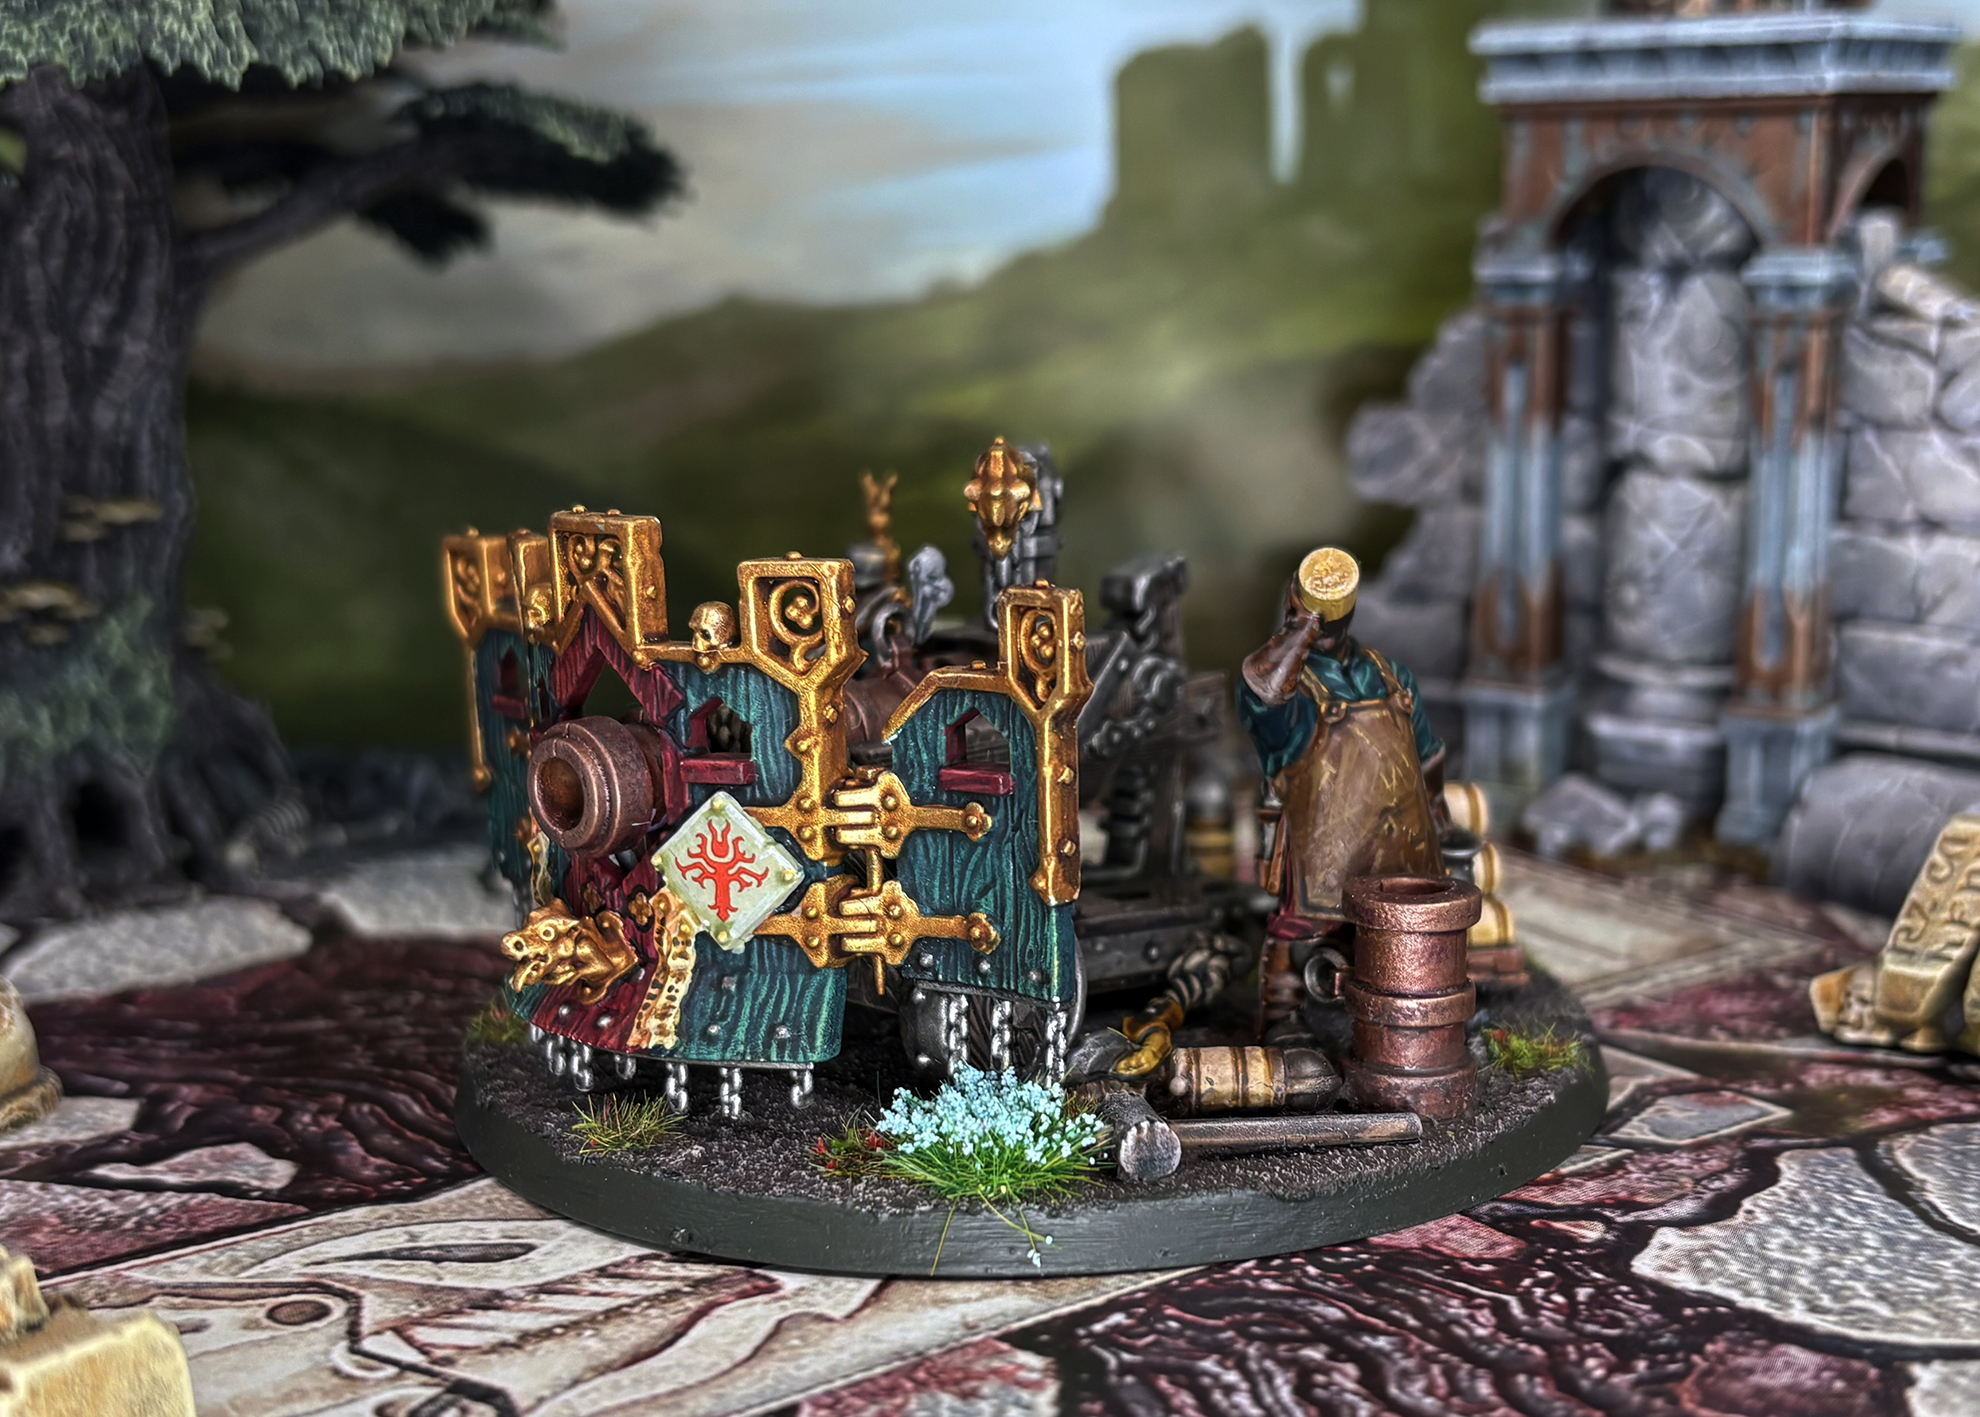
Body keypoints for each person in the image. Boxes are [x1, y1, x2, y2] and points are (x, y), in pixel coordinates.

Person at [1238, 548, 1449, 1039]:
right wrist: (1303, 625)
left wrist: (1438, 813)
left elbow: (1427, 757)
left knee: (1403, 947)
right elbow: (1264, 694)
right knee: (1301, 932)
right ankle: (1283, 1016)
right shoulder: (1290, 691)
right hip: (1322, 855)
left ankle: (1410, 1016)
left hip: (1400, 856)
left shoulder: (1391, 676)